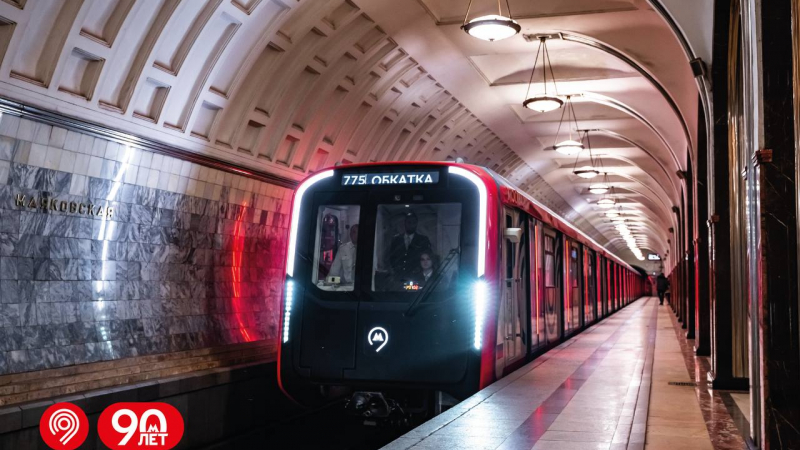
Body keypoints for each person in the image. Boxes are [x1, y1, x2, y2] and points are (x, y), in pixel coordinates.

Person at [388, 212, 431, 278]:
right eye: (409, 222)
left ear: (416, 224)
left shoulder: (423, 240)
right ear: (405, 223)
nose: (411, 225)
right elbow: (391, 257)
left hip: (416, 275)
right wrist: (394, 269)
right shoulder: (396, 240)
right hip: (398, 275)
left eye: (414, 222)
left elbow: (428, 257)